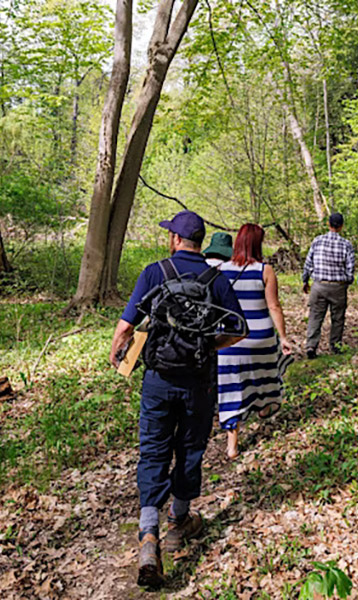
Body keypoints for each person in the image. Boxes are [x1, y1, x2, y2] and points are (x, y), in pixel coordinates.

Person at [108, 210, 246, 589]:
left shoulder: (155, 272)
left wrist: (118, 351)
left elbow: (125, 327)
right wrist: (211, 344)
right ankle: (179, 521)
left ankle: (148, 534)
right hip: (198, 381)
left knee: (153, 450)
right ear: (199, 242)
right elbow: (239, 327)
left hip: (157, 379)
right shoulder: (214, 278)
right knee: (190, 448)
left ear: (175, 240)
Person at [217, 224, 293, 459]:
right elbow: (274, 306)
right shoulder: (265, 270)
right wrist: (283, 337)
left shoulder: (220, 270)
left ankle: (232, 445)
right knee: (270, 372)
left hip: (230, 342)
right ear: (258, 244)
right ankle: (265, 406)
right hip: (260, 338)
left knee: (231, 390)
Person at [302, 212, 355, 359]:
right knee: (338, 318)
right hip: (338, 286)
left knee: (315, 316)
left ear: (328, 224)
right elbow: (350, 268)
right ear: (342, 226)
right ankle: (335, 345)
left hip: (319, 285)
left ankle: (311, 346)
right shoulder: (346, 244)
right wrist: (347, 281)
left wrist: (305, 280)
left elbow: (308, 263)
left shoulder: (317, 241)